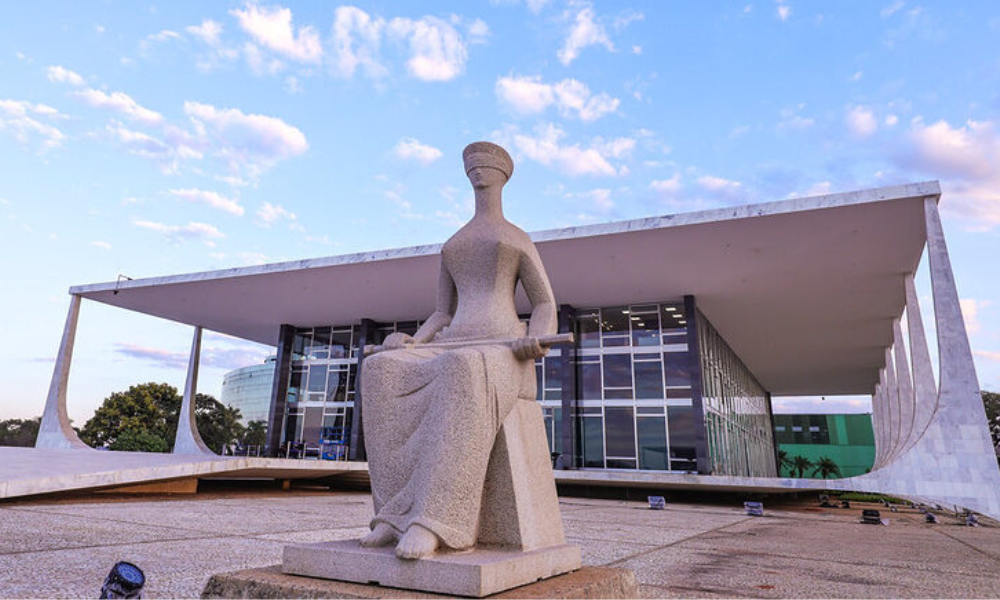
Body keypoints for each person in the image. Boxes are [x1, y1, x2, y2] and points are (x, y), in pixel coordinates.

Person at [359, 141, 556, 560]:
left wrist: (535, 337)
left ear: (503, 175)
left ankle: (436, 520)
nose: (479, 172)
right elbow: (441, 313)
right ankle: (393, 515)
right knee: (380, 371)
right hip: (453, 343)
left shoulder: (516, 238)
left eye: (486, 165)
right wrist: (413, 341)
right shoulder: (453, 244)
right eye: (473, 166)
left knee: (464, 368)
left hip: (506, 350)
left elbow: (544, 303)